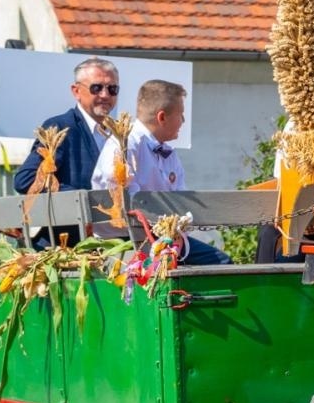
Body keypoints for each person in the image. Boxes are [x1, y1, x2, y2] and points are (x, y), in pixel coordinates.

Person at [90, 79, 231, 266]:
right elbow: (123, 196)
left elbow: (182, 199)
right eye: (180, 115)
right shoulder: (124, 144)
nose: (183, 121)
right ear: (162, 117)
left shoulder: (169, 154)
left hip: (162, 239)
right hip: (126, 241)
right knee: (220, 264)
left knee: (220, 261)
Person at [14, 57, 120, 194]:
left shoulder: (120, 134)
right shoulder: (60, 128)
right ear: (76, 91)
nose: (105, 95)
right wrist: (80, 197)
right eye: (96, 88)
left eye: (112, 89)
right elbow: (26, 179)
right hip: (76, 214)